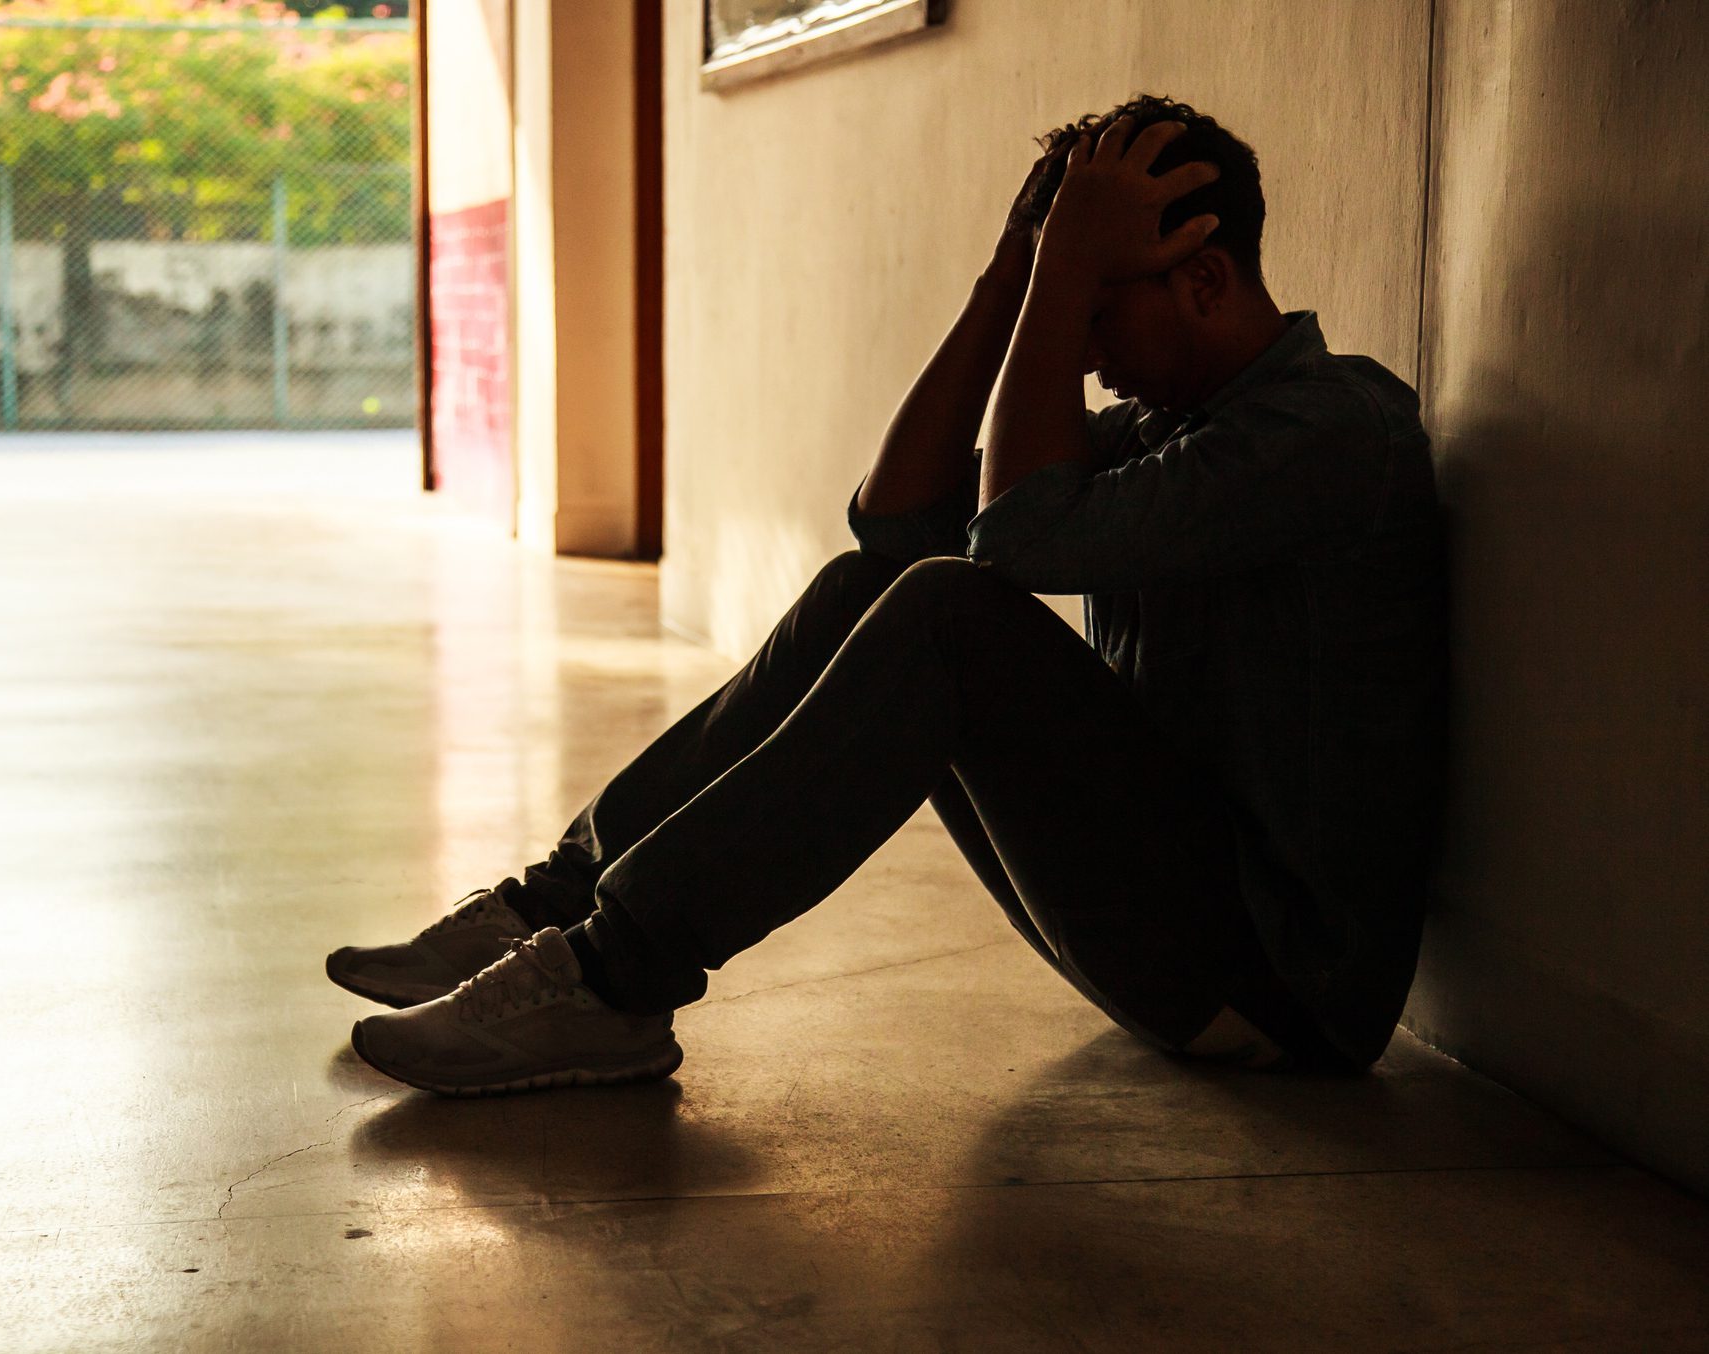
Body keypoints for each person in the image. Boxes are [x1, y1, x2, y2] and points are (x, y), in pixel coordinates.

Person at [327, 94, 1447, 1097]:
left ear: (1203, 278)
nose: (1084, 357)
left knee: (950, 611)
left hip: (1283, 987)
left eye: (1096, 313)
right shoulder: (1174, 432)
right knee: (880, 581)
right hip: (1180, 930)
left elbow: (1010, 542)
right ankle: (558, 907)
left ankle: (612, 977)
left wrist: (1059, 279)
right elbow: (896, 517)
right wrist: (1012, 276)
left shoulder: (1331, 432)